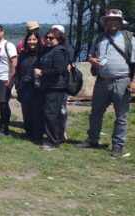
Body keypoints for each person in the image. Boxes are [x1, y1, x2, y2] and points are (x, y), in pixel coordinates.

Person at [77, 9, 135, 157]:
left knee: (121, 116)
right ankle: (92, 140)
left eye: (116, 20)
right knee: (95, 113)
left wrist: (133, 81)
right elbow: (91, 56)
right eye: (109, 20)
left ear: (121, 22)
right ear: (106, 22)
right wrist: (91, 60)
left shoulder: (130, 38)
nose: (112, 22)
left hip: (122, 81)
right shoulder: (99, 38)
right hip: (102, 81)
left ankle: (117, 145)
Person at [34, 29, 70, 150]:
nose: (48, 40)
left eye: (51, 38)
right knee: (52, 113)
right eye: (47, 38)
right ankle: (57, 137)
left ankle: (53, 142)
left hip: (56, 87)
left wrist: (42, 72)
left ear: (58, 40)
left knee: (51, 114)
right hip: (49, 86)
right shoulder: (49, 51)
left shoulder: (58, 52)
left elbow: (59, 70)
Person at [15, 31, 45, 141]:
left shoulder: (42, 53)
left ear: (38, 40)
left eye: (34, 39)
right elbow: (18, 69)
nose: (31, 42)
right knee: (26, 111)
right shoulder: (23, 54)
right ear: (26, 41)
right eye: (29, 40)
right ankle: (29, 133)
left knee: (37, 112)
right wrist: (18, 84)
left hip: (37, 87)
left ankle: (37, 135)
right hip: (24, 86)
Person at [0, 24, 17, 136]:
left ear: (2, 32)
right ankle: (2, 124)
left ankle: (5, 128)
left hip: (4, 79)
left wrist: (11, 80)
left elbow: (14, 63)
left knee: (4, 103)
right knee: (0, 104)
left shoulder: (8, 45)